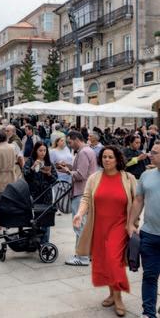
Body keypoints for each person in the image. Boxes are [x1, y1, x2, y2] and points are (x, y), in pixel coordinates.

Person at [73, 146, 137, 317]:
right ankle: (112, 294)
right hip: (99, 227)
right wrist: (79, 213)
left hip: (120, 226)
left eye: (110, 157)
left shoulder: (128, 178)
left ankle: (118, 299)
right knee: (105, 262)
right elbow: (86, 198)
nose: (107, 160)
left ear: (117, 159)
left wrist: (134, 223)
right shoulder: (94, 178)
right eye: (104, 157)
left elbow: (136, 201)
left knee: (113, 260)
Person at [128, 140, 160, 318]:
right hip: (149, 234)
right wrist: (131, 223)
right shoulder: (146, 176)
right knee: (149, 275)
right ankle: (148, 313)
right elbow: (138, 200)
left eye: (154, 152)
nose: (150, 155)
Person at [58, 130, 98, 267]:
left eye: (70, 142)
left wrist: (68, 171)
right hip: (87, 191)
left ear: (76, 139)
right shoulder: (88, 151)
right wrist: (69, 167)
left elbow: (81, 175)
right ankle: (87, 254)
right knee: (84, 225)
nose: (69, 145)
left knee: (79, 225)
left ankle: (82, 257)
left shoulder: (83, 152)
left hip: (81, 192)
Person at [23, 141, 58, 243]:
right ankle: (35, 241)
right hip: (34, 194)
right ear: (36, 151)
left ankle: (44, 242)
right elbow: (25, 175)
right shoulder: (30, 161)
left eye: (44, 150)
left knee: (46, 219)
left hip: (46, 194)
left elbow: (55, 180)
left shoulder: (48, 163)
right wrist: (33, 167)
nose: (43, 153)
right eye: (40, 150)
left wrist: (48, 174)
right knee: (35, 219)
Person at [0, 130, 17, 235]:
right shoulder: (12, 147)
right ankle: (7, 226)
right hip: (11, 176)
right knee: (8, 203)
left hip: (0, 178)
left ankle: (0, 227)